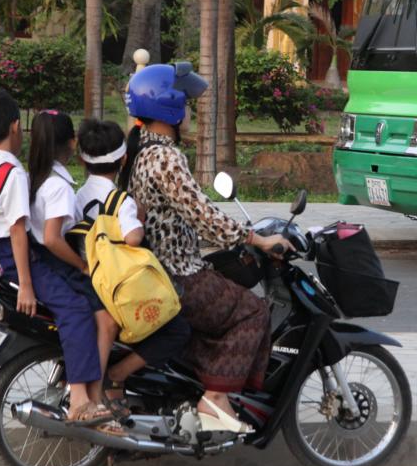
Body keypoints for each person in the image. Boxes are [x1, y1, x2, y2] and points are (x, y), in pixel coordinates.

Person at [118, 63, 289, 434]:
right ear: (171, 109)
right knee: (252, 311)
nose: (191, 115)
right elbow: (203, 215)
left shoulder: (139, 152)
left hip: (157, 269)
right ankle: (215, 397)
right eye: (188, 106)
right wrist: (257, 238)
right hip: (177, 275)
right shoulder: (165, 157)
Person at [0, 91, 110, 430]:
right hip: (10, 255)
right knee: (74, 308)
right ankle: (80, 400)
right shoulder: (13, 173)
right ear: (16, 127)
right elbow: (16, 230)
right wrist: (26, 286)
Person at [74, 119, 190, 409]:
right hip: (115, 284)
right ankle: (118, 375)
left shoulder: (77, 196)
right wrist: (139, 217)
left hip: (88, 276)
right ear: (124, 159)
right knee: (178, 330)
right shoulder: (121, 200)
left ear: (81, 160)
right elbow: (134, 239)